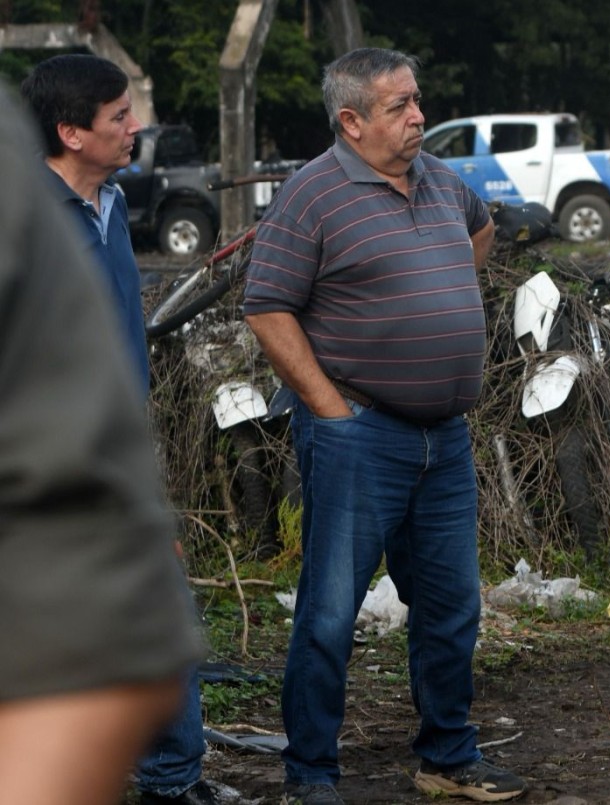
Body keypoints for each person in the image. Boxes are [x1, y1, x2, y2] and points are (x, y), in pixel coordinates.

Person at [242, 48, 522, 805]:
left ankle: (446, 755)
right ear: (352, 120)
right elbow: (267, 306)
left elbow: (483, 231)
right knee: (331, 610)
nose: (418, 117)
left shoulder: (438, 179)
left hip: (445, 437)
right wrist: (330, 408)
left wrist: (435, 287)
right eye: (400, 106)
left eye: (417, 101)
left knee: (451, 604)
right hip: (362, 434)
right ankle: (310, 774)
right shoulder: (313, 195)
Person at [18, 54, 221, 805]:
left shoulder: (108, 210)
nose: (135, 129)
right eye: (118, 119)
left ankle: (171, 780)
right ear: (71, 132)